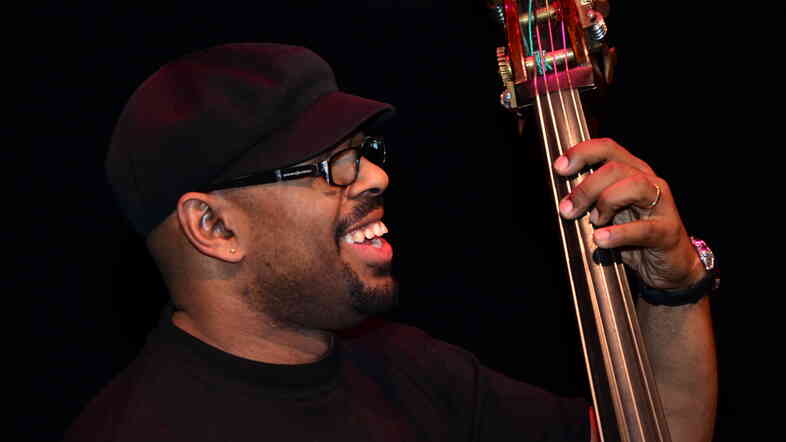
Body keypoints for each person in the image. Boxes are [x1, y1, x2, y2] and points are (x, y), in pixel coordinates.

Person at [65, 43, 717, 442]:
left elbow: (659, 433)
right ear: (214, 227)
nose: (377, 176)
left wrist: (676, 282)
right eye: (329, 165)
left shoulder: (405, 368)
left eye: (365, 153)